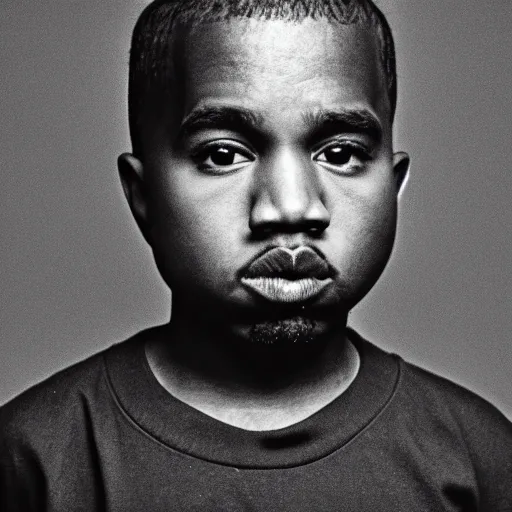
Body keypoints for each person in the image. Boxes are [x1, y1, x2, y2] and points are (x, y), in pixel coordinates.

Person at [1, 0, 511, 509]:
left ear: (393, 186)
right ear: (143, 194)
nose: (291, 207)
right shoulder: (32, 458)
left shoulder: (479, 458)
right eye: (223, 155)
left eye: (340, 154)